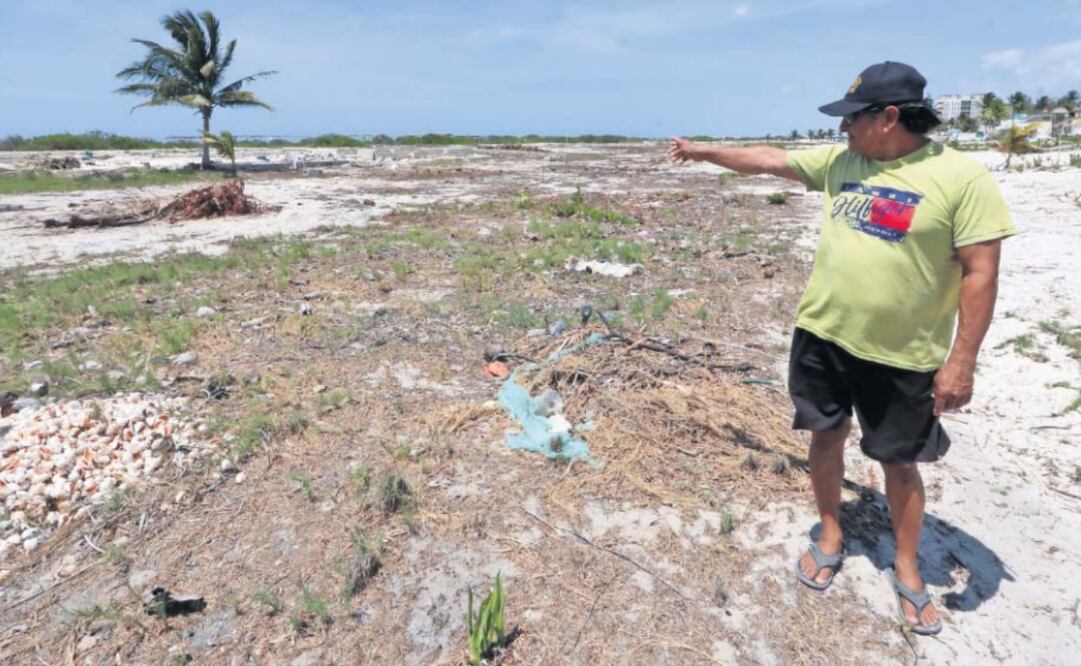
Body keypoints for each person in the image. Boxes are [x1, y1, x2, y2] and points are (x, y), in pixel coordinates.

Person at [668, 61, 1014, 635]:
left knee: (898, 462)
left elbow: (981, 272)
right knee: (825, 436)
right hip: (823, 336)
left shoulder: (962, 178)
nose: (844, 129)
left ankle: (907, 568)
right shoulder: (841, 163)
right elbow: (770, 159)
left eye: (852, 118)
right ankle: (831, 530)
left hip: (903, 355)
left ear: (889, 117)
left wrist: (962, 361)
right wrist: (704, 153)